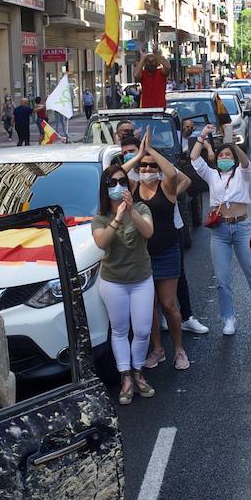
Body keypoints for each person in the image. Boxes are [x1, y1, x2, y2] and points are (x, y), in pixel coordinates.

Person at [191, 126, 251, 334]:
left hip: (242, 227)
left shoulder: (242, 174)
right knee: (222, 279)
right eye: (221, 155)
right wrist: (201, 137)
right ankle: (228, 318)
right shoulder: (211, 175)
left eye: (228, 155)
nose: (224, 157)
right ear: (216, 159)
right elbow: (194, 159)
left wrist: (232, 144)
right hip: (220, 232)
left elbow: (245, 162)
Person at [125, 130, 192, 371]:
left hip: (167, 250)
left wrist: (152, 151)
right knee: (149, 305)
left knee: (168, 303)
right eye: (143, 166)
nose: (147, 169)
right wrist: (140, 154)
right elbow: (118, 174)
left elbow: (173, 172)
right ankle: (158, 349)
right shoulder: (132, 187)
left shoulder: (167, 187)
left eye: (152, 166)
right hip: (142, 254)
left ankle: (179, 349)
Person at [91, 162, 157, 405]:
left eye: (122, 182)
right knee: (119, 330)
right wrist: (118, 216)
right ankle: (126, 377)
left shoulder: (140, 207)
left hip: (141, 278)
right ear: (105, 188)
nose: (118, 186)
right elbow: (102, 242)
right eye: (112, 183)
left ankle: (138, 371)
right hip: (113, 282)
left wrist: (131, 212)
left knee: (141, 330)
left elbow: (148, 232)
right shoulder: (99, 218)